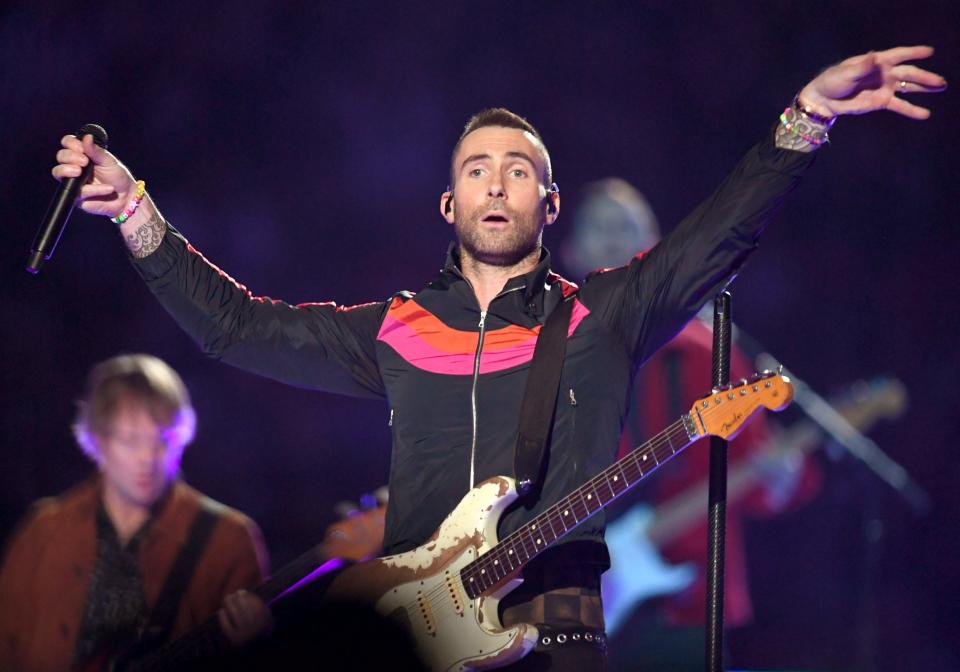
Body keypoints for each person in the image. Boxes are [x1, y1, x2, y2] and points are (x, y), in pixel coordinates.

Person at [50, 46, 944, 670]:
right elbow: (236, 327)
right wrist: (137, 213)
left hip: (556, 619)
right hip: (410, 628)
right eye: (477, 168)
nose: (496, 181)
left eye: (518, 169)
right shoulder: (396, 327)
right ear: (448, 203)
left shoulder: (599, 316)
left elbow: (717, 235)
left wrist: (807, 116)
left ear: (549, 205)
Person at [562, 179, 821, 670]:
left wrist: (781, 480)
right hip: (565, 598)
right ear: (572, 252)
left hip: (683, 600)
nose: (618, 238)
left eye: (630, 228)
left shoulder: (705, 350)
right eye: (602, 227)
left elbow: (758, 472)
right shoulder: (550, 356)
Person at [0, 354, 271, 671]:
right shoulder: (44, 531)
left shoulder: (229, 540)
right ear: (98, 440)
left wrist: (258, 643)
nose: (147, 458)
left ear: (183, 437)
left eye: (163, 440)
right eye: (130, 440)